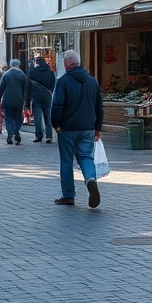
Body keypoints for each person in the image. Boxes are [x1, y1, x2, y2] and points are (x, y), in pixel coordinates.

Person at [50, 49, 103, 208]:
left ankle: (68, 196)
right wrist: (97, 128)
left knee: (66, 161)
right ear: (79, 63)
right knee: (86, 157)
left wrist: (56, 124)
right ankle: (90, 180)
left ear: (66, 64)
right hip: (87, 128)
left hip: (67, 128)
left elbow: (57, 105)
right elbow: (99, 107)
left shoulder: (63, 81)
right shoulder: (92, 81)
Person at [0, 59, 30, 145]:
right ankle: (16, 130)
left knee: (8, 118)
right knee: (18, 117)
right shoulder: (22, 75)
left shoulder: (6, 74)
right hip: (19, 100)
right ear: (18, 65)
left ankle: (10, 133)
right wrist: (26, 102)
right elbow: (26, 90)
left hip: (7, 100)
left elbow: (1, 88)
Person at [28, 56, 56, 143]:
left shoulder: (32, 72)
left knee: (37, 117)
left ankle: (38, 136)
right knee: (47, 116)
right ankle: (49, 136)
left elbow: (29, 84)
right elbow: (53, 84)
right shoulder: (50, 72)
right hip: (47, 96)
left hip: (36, 95)